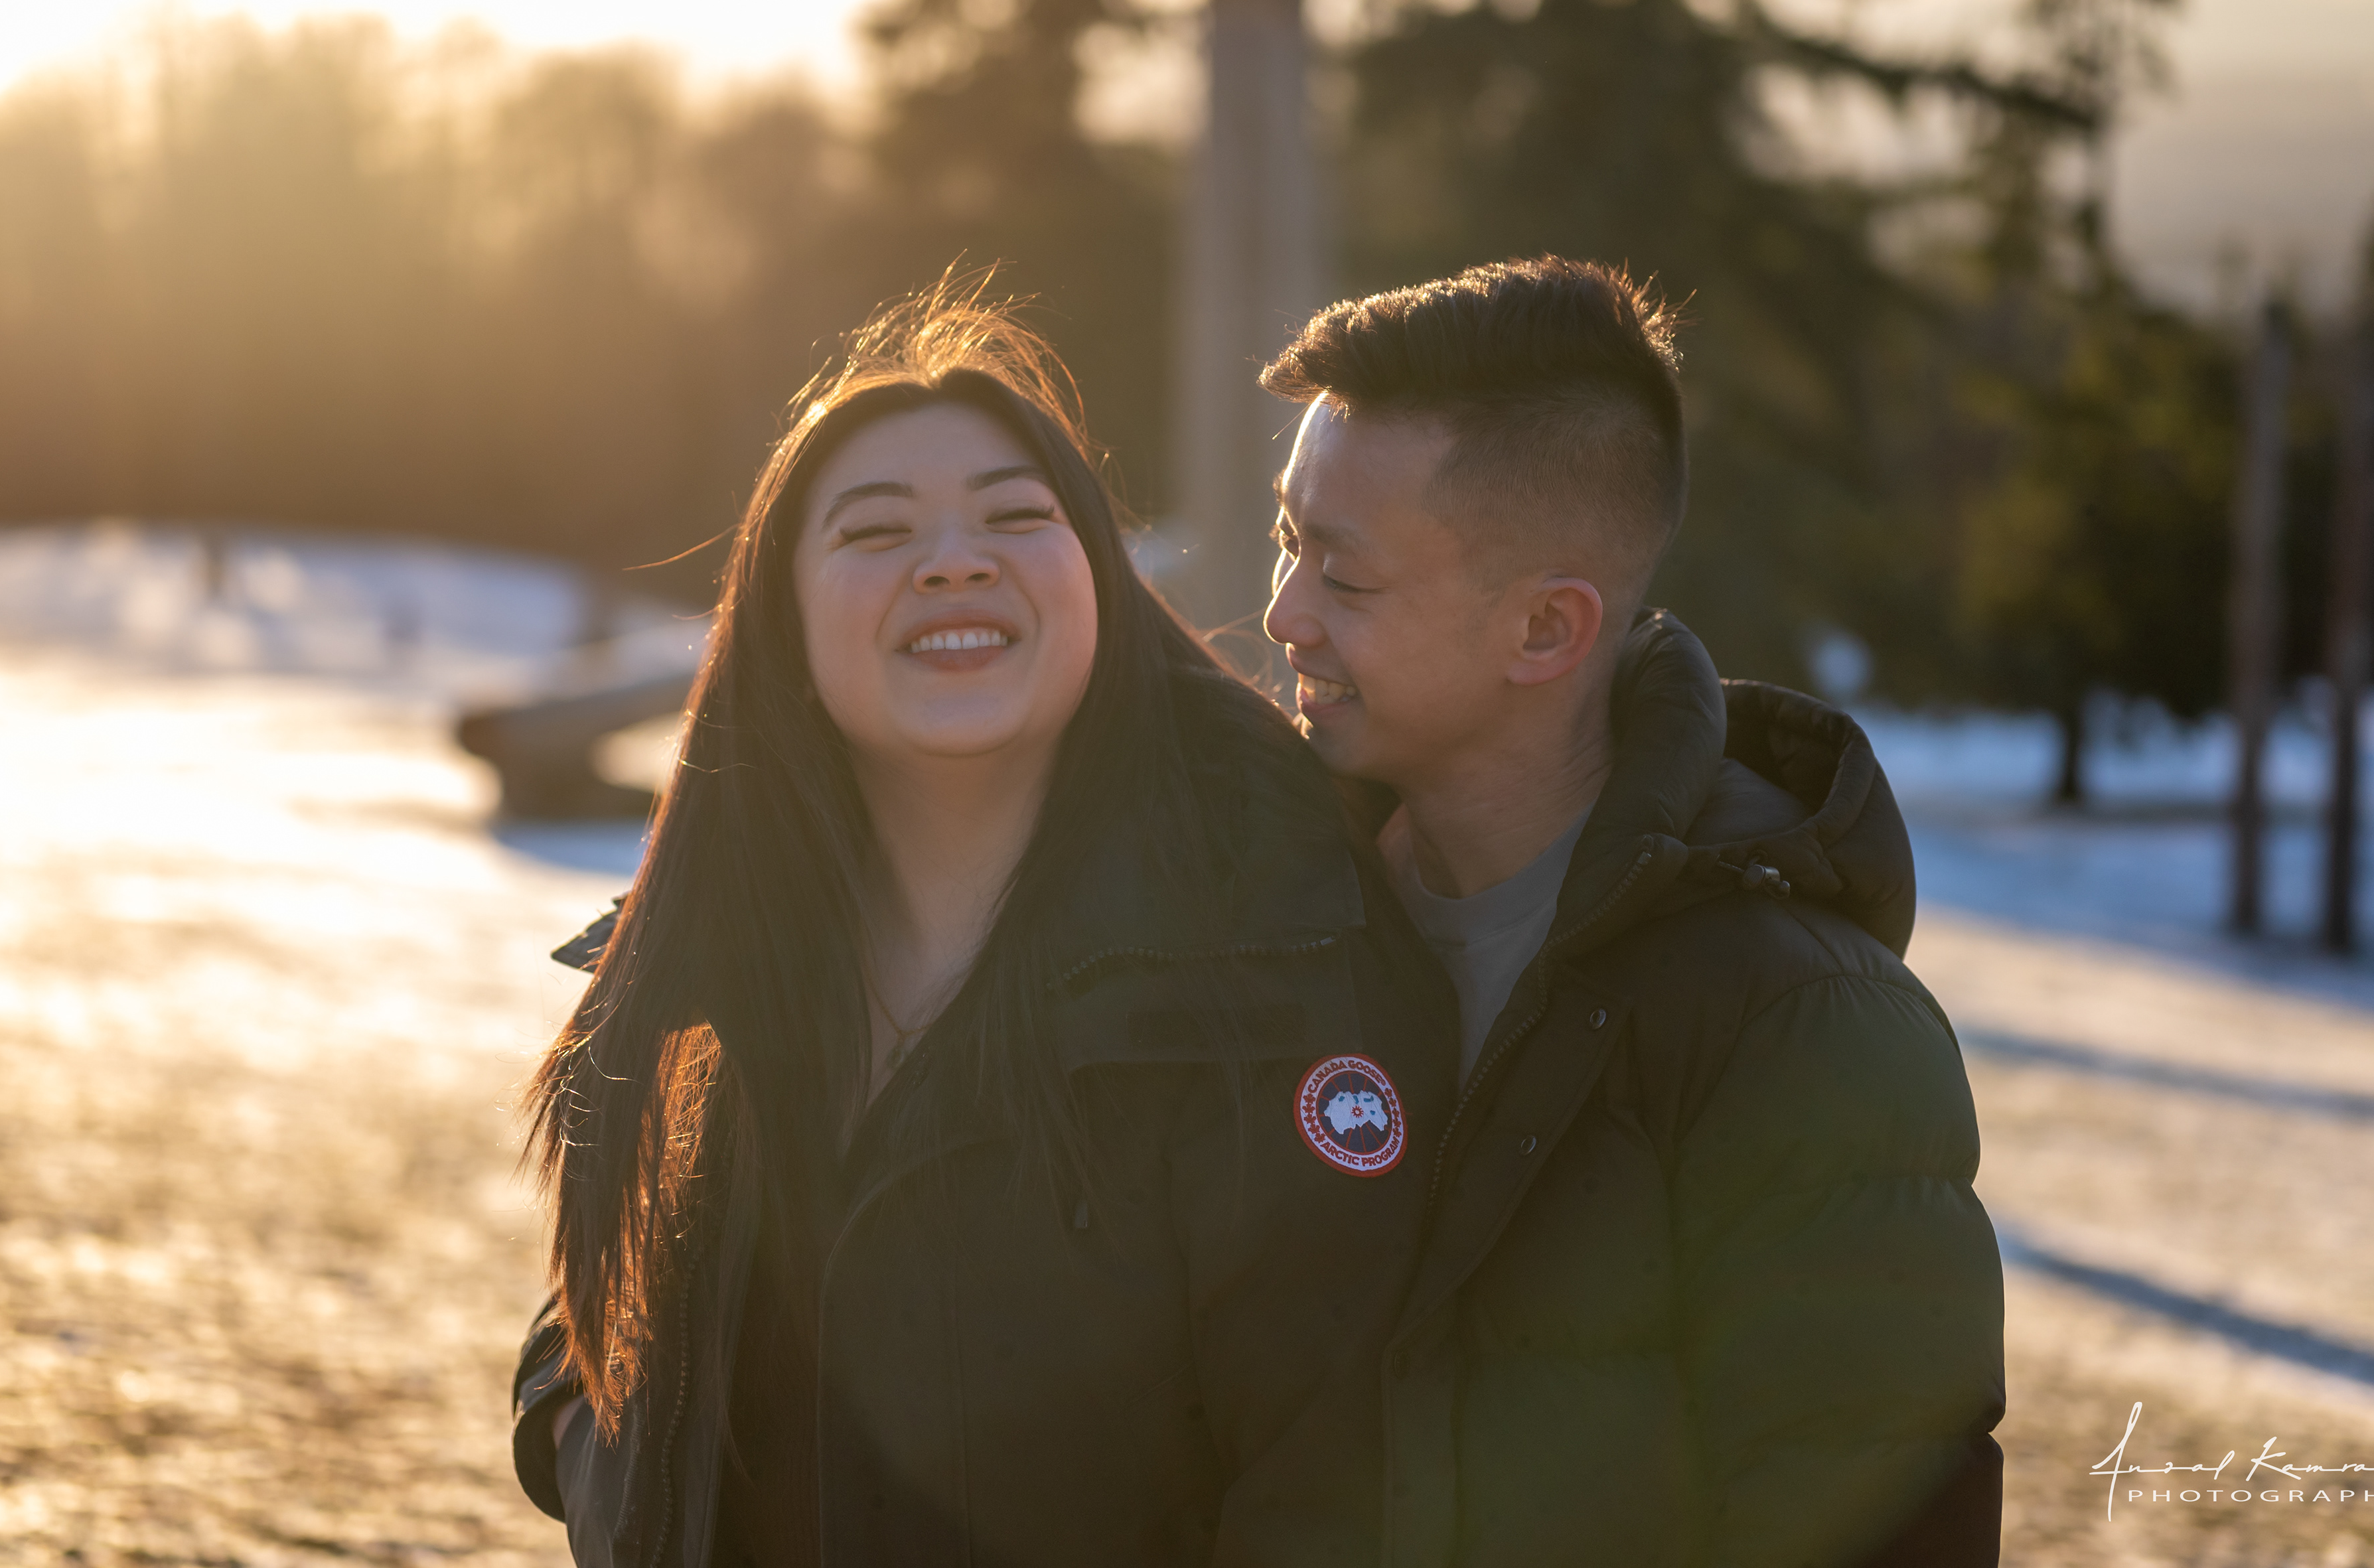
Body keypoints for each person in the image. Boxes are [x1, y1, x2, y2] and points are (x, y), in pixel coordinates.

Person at [508, 284, 1449, 1567]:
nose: (954, 561)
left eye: (1016, 517)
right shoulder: (704, 965)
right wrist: (586, 1450)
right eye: (876, 531)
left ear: (1100, 587)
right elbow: (589, 1308)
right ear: (783, 626)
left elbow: (1336, 1489)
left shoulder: (1279, 971)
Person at [1257, 257, 2006, 1567]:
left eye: (1345, 577)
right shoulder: (1260, 929)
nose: (1283, 615)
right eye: (1285, 538)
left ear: (1547, 629)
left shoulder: (1808, 1033)